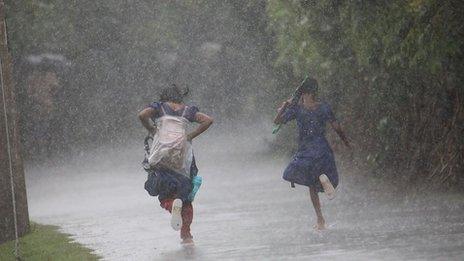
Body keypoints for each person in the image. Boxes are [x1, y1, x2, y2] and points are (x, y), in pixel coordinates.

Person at [138, 84, 213, 244]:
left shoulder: (159, 108)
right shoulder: (188, 110)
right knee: (185, 195)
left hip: (161, 152)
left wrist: (152, 129)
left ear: (164, 96)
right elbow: (208, 120)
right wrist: (191, 135)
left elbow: (142, 115)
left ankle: (172, 206)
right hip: (181, 154)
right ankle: (186, 235)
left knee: (163, 191)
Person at [274, 77, 350, 230]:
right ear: (315, 92)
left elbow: (277, 121)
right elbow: (337, 127)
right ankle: (323, 180)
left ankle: (320, 219)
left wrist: (284, 107)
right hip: (323, 150)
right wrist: (346, 142)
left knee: (300, 179)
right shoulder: (324, 108)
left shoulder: (297, 109)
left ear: (304, 94)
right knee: (331, 181)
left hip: (305, 153)